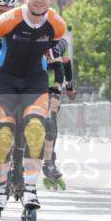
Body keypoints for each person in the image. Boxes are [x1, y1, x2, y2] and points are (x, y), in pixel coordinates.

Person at [0, 0, 68, 221]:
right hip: (4, 80)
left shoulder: (57, 24)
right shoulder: (7, 21)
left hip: (34, 80)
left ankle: (30, 189)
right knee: (3, 138)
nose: (39, 0)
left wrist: (59, 72)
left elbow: (57, 47)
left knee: (35, 129)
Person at [41, 30, 75, 191]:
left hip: (52, 85)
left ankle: (50, 161)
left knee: (50, 121)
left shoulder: (60, 44)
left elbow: (65, 65)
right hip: (31, 84)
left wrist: (68, 86)